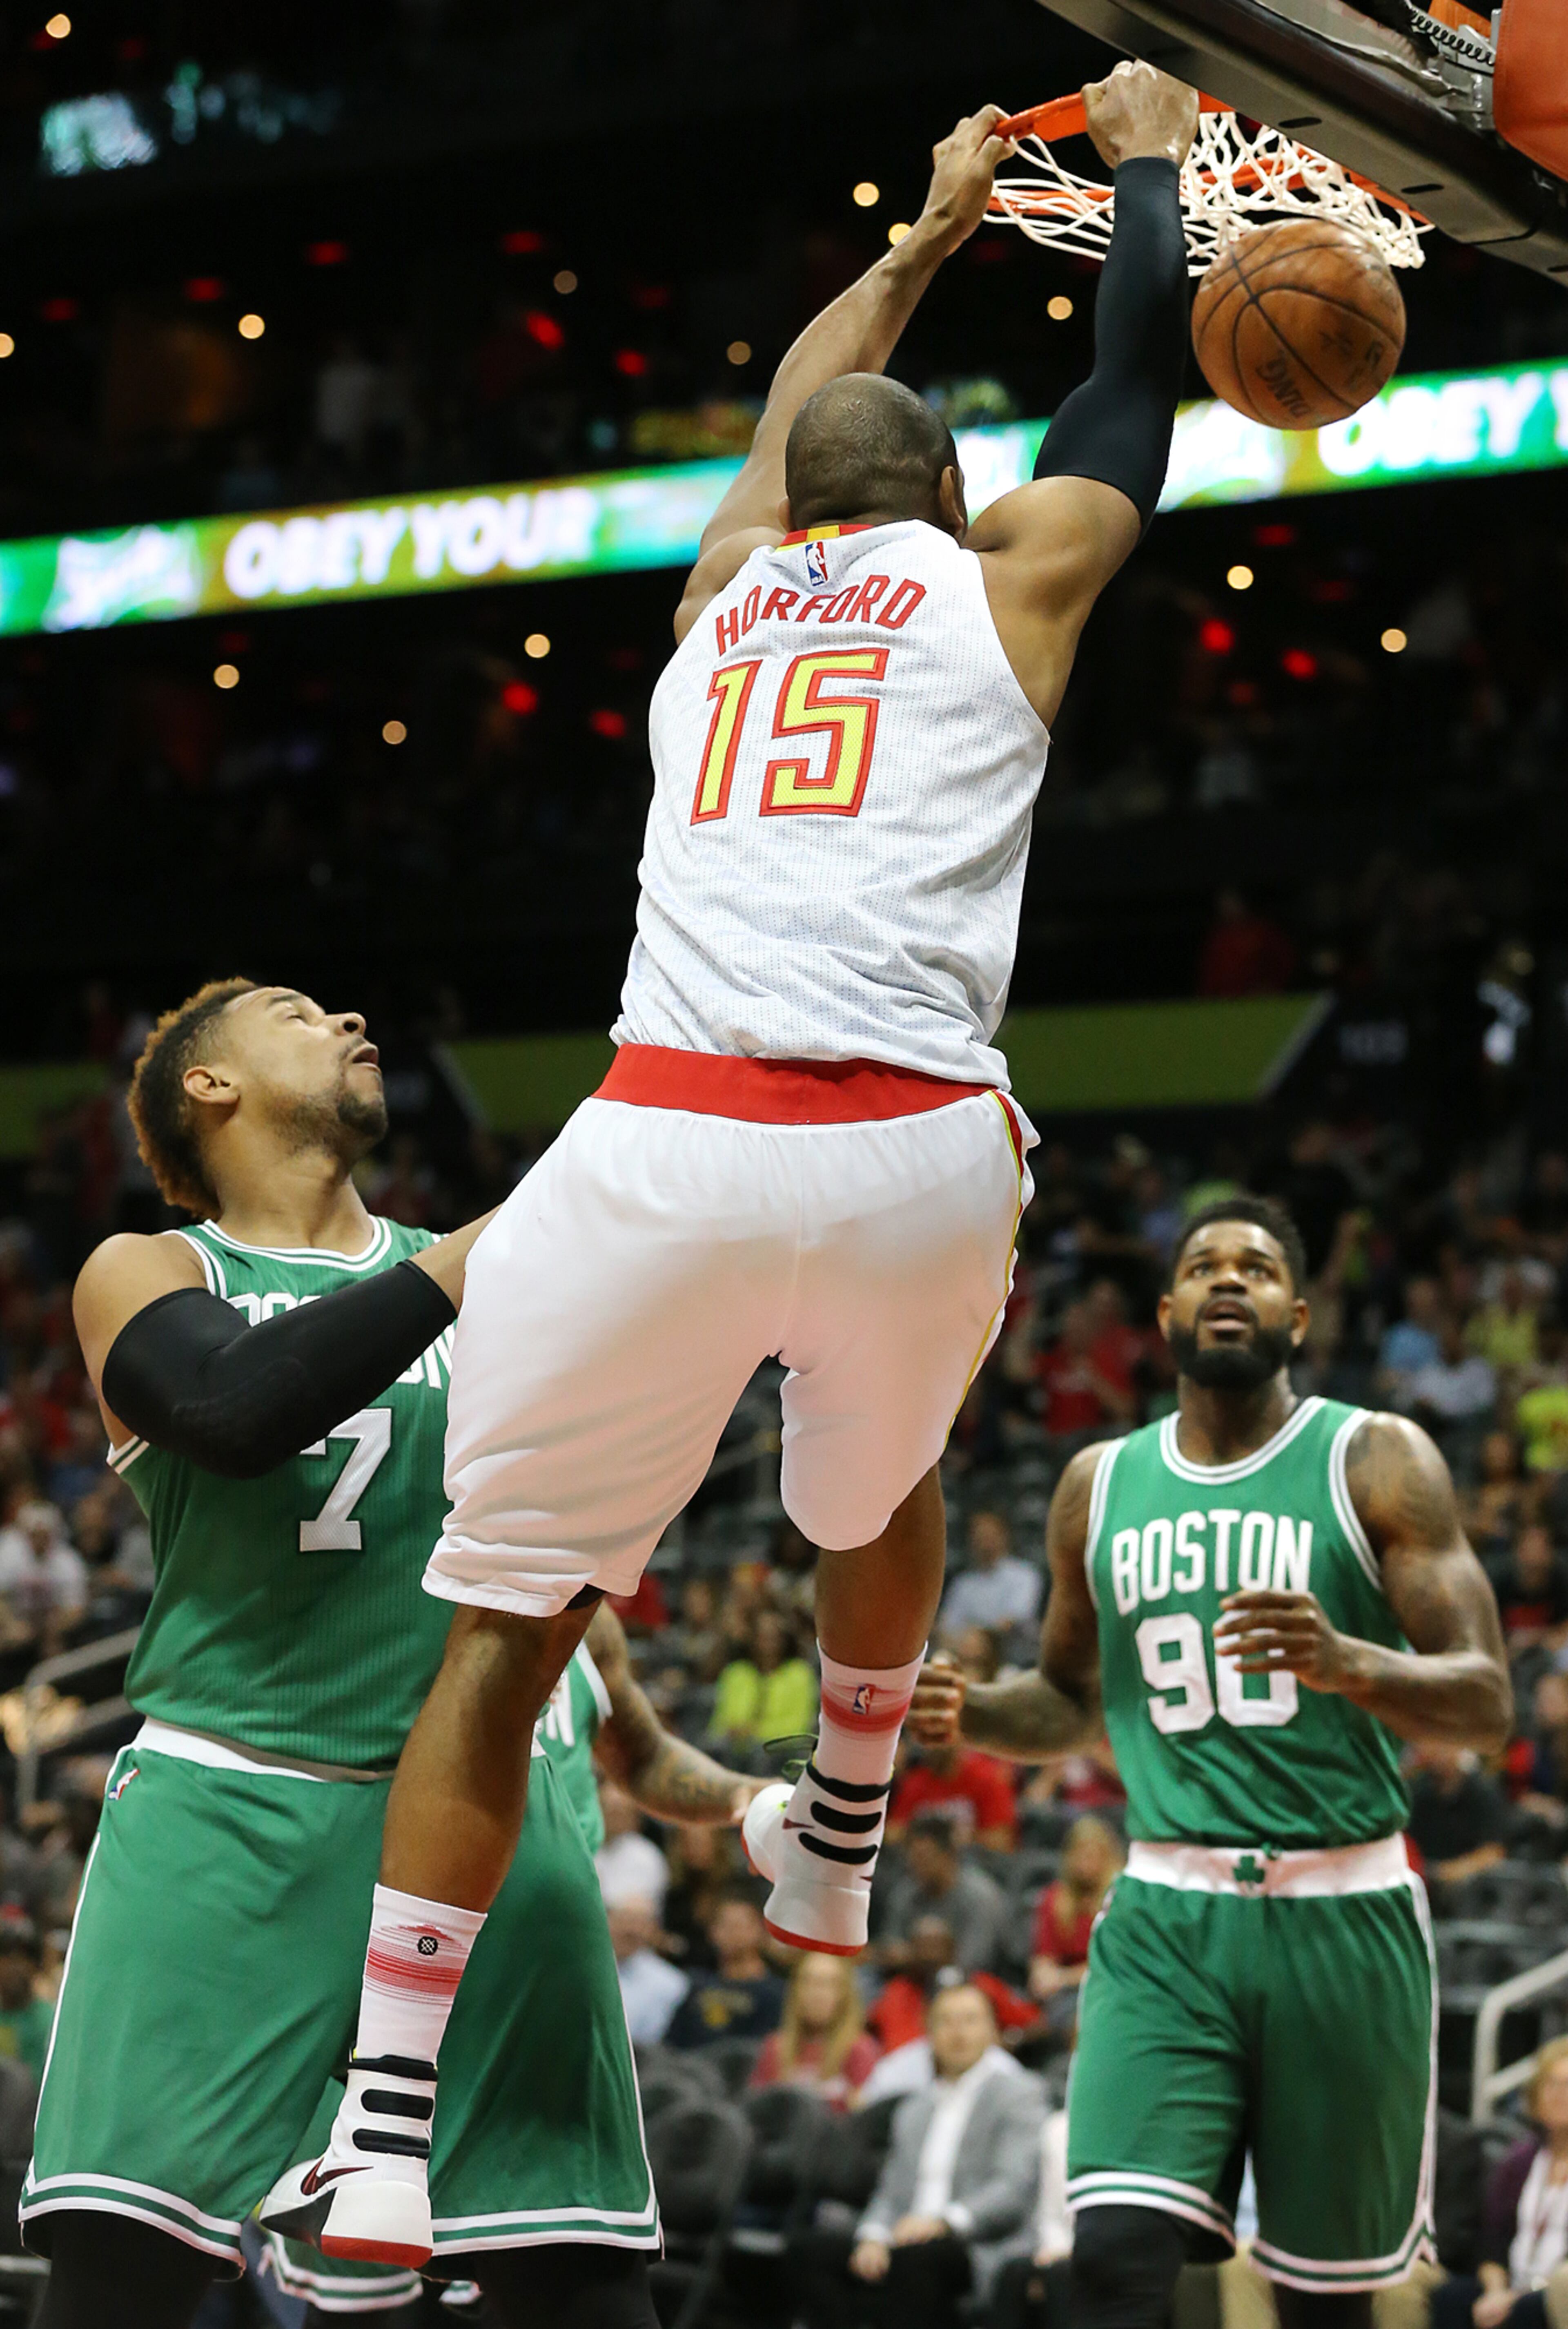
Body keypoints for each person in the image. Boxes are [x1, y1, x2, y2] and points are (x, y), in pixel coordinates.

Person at [297, 63, 1205, 2264]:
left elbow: (807, 415)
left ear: (791, 505)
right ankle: (846, 1826)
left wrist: (923, 229)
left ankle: (388, 2143)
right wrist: (1164, 160)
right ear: (960, 501)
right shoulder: (1023, 580)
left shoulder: (717, 604)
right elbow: (1143, 372)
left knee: (504, 1642)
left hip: (661, 1141)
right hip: (903, 1150)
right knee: (882, 1482)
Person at [40, 979, 760, 2329]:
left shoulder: (490, 1269)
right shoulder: (155, 1270)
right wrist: (520, 1238)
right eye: (296, 1012)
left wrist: (699, 1776)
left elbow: (548, 1555)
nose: (351, 1021)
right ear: (211, 1086)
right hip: (231, 1814)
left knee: (572, 2280)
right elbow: (233, 1406)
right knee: (119, 2276)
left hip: (482, 1812)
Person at [911, 1194, 1512, 2329]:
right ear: (1166, 1308)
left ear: (1297, 1314)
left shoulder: (1377, 1457)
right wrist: (976, 1710)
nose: (1227, 1279)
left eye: (1257, 1266)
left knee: (1319, 2303)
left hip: (1344, 1907)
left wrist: (1351, 1662)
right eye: (1202, 1264)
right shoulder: (1097, 1482)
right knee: (1111, 2259)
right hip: (1167, 1914)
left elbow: (1486, 1696)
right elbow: (1071, 1698)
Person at [788, 1983, 1045, 2329]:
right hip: (906, 2238)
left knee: (919, 2259)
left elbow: (1013, 2188)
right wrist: (874, 2235)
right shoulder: (914, 2107)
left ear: (992, 2031)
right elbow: (890, 2190)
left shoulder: (1019, 2094)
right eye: (947, 2022)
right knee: (812, 2250)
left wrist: (942, 2222)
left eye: (970, 2020)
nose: (958, 2032)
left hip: (974, 2244)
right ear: (930, 2033)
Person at [1430, 2039, 1568, 2329]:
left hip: (1554, 2288)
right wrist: (1497, 2292)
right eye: (1552, 2085)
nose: (1560, 2096)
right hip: (1512, 2283)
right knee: (1449, 2298)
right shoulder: (1519, 2162)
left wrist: (1519, 2297)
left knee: (1540, 2303)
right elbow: (1493, 2242)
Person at [1027, 1815, 1124, 2035]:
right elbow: (1044, 1955)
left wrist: (1062, 1978)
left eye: (1092, 1856)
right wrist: (1042, 1973)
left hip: (1107, 1988)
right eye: (1079, 1855)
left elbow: (1114, 1964)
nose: (1084, 1864)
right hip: (1063, 1993)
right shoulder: (1054, 1898)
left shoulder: (1119, 1899)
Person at [877, 1812, 1006, 1973]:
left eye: (924, 1858)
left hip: (971, 1985)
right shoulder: (906, 1892)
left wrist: (920, 1956)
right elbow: (889, 1950)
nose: (915, 1866)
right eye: (911, 1858)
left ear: (949, 1855)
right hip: (913, 1981)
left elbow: (975, 1961)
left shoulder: (981, 1897)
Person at [751, 1951, 878, 2108]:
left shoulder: (860, 2050)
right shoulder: (776, 2048)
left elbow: (863, 2118)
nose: (817, 1994)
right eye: (808, 1982)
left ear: (845, 1994)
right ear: (795, 1990)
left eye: (828, 1984)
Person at [664, 1889, 786, 2049]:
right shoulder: (697, 1984)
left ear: (761, 1931)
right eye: (724, 1925)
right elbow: (673, 2042)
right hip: (690, 2070)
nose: (732, 1933)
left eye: (739, 1926)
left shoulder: (776, 1993)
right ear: (712, 1932)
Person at [708, 1607, 820, 1747]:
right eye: (762, 1637)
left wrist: (755, 1734)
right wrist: (734, 1732)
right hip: (734, 1753)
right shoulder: (736, 1673)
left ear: (784, 1640)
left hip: (780, 1755)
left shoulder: (800, 1674)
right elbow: (720, 1724)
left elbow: (799, 1726)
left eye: (773, 1637)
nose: (767, 1645)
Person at [940, 1510, 1044, 1659]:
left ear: (1005, 1536)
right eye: (979, 1535)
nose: (984, 1541)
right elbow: (947, 1628)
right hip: (971, 1659)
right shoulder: (963, 1583)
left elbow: (1013, 1621)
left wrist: (977, 1636)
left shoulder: (1025, 1575)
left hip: (1015, 1661)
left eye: (990, 1534)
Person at [1406, 1743, 1510, 1888]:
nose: (1438, 1755)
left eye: (1444, 1746)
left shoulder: (1483, 1793)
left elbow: (1493, 1852)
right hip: (1424, 1881)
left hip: (1472, 1889)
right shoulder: (1418, 1792)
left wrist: (1450, 1872)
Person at [889, 1733, 1018, 1850]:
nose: (938, 1747)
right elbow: (893, 1834)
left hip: (975, 1863)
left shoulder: (988, 1779)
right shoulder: (914, 1783)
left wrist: (958, 1839)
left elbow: (1001, 1841)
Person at [607, 1898, 690, 2048]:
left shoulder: (672, 1984)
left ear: (653, 1929)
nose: (631, 1930)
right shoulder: (581, 1972)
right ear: (607, 1921)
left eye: (640, 1923)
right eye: (624, 1920)